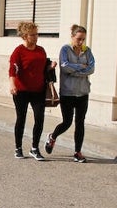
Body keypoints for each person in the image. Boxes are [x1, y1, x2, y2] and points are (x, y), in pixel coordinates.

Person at [45, 24, 96, 162]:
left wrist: (77, 71)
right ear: (72, 37)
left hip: (83, 93)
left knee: (80, 122)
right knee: (67, 122)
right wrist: (81, 67)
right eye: (78, 39)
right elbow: (65, 67)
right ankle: (52, 136)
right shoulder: (65, 50)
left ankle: (77, 152)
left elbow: (91, 69)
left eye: (83, 39)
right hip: (67, 93)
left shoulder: (87, 51)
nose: (81, 42)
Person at [7, 20, 54, 160]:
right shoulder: (18, 51)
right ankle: (18, 147)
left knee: (39, 118)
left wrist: (50, 66)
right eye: (32, 35)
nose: (35, 37)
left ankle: (34, 148)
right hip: (21, 91)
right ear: (24, 36)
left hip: (38, 90)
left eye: (36, 34)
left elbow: (43, 67)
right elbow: (12, 69)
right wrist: (12, 84)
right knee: (21, 118)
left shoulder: (41, 50)